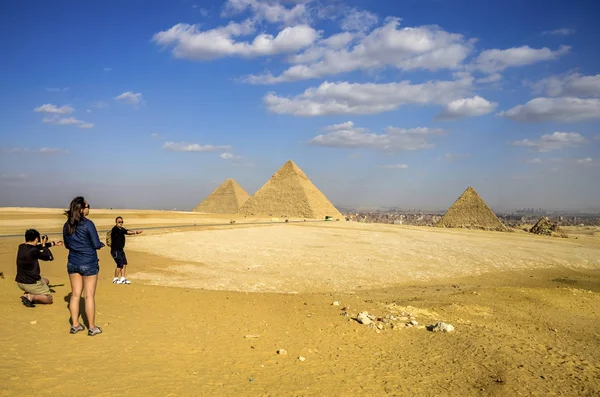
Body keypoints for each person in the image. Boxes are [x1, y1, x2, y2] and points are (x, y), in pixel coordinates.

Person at [63, 197, 104, 336]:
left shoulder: (67, 225)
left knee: (75, 295)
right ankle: (92, 327)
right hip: (88, 263)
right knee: (89, 296)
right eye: (87, 206)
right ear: (81, 209)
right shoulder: (88, 224)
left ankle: (75, 325)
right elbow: (96, 243)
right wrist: (100, 245)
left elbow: (67, 244)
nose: (88, 209)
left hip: (73, 262)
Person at [15, 229, 63, 307]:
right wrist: (44, 245)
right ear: (37, 239)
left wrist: (53, 243)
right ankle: (31, 297)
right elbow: (49, 257)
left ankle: (28, 292)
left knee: (46, 281)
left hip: (20, 282)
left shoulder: (21, 246)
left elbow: (36, 247)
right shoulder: (33, 251)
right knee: (49, 298)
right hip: (30, 283)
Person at [110, 216, 142, 284]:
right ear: (116, 222)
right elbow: (126, 231)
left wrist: (135, 232)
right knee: (119, 264)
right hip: (115, 250)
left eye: (122, 222)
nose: (120, 223)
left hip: (121, 249)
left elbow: (126, 231)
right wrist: (135, 232)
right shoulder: (115, 229)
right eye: (119, 222)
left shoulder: (121, 229)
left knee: (124, 263)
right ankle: (115, 279)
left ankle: (122, 278)